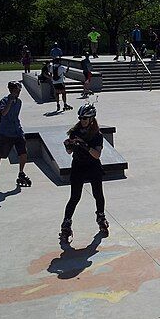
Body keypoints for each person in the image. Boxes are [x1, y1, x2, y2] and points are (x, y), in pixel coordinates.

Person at [59, 103, 109, 243]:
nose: (82, 121)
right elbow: (69, 152)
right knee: (75, 197)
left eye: (85, 119)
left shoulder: (97, 135)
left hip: (93, 166)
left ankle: (101, 216)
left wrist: (85, 145)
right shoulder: (75, 132)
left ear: (92, 119)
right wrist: (68, 146)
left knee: (98, 194)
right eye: (81, 118)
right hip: (78, 166)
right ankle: (66, 224)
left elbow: (97, 155)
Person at [0, 81, 31, 188]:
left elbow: (15, 116)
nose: (18, 93)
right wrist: (10, 102)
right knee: (0, 155)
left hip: (17, 131)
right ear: (11, 90)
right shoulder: (4, 101)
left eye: (19, 91)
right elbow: (3, 113)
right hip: (5, 132)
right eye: (16, 91)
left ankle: (21, 172)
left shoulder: (19, 102)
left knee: (23, 153)